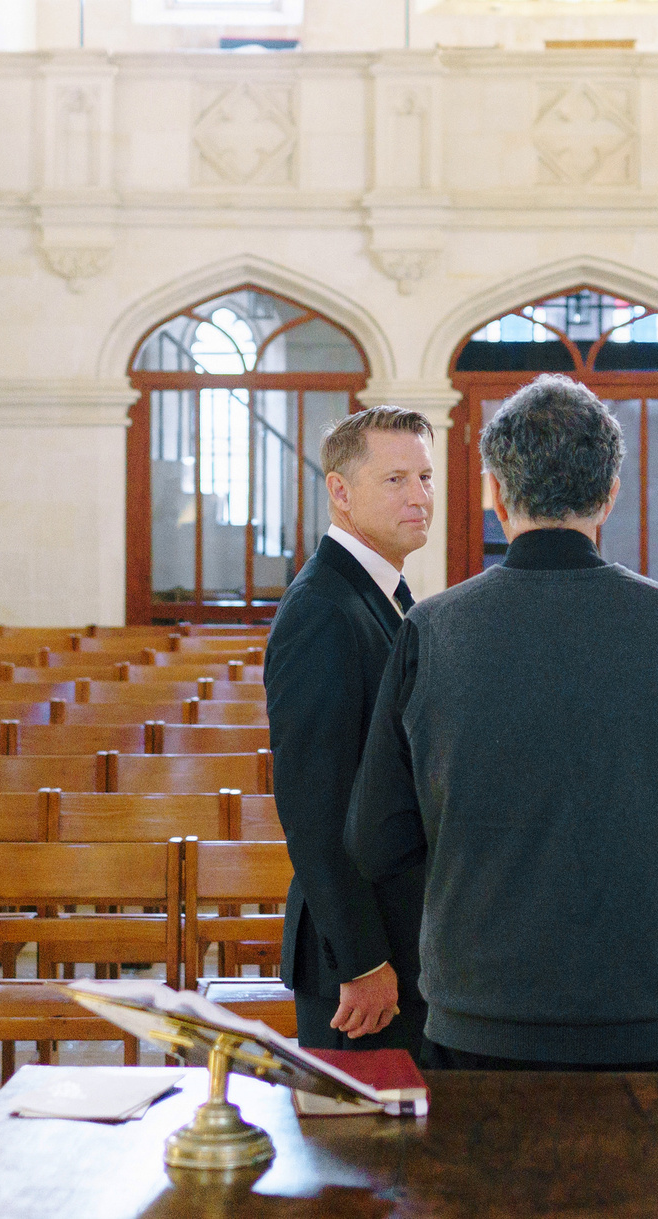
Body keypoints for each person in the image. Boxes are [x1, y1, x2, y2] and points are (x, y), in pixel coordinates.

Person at [347, 374, 658, 1072]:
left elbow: (376, 841)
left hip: (486, 1020)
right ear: (609, 495)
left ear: (496, 494)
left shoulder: (432, 630)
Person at [263, 405, 437, 1056]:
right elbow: (315, 805)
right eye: (395, 480)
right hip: (362, 961)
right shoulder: (323, 609)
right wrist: (362, 960)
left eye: (424, 477)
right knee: (361, 1123)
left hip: (402, 936)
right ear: (340, 491)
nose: (419, 496)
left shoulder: (381, 593)